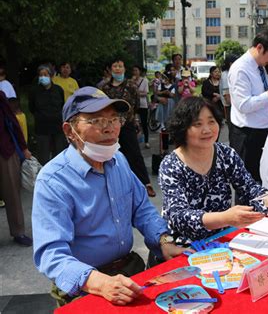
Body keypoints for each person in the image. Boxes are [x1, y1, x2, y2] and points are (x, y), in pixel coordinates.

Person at [32, 87, 191, 307]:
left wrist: (164, 240)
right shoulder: (53, 180)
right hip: (86, 286)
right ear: (70, 131)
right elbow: (51, 253)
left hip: (130, 271)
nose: (109, 128)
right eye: (96, 120)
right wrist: (100, 283)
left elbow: (142, 209)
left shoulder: (118, 160)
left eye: (114, 119)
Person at [158, 96, 268, 249]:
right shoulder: (171, 165)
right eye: (197, 124)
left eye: (211, 121)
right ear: (183, 128)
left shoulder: (226, 154)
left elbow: (249, 188)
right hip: (185, 245)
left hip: (223, 237)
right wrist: (225, 217)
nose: (207, 130)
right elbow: (178, 216)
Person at [228, 28, 268, 182]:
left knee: (263, 179)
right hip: (248, 134)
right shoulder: (240, 69)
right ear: (260, 47)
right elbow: (244, 105)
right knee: (247, 183)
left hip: (263, 130)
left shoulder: (259, 67)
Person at [102, 59, 156, 197]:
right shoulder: (105, 88)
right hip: (110, 126)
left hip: (127, 125)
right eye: (115, 66)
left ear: (124, 69)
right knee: (111, 154)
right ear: (110, 69)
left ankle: (145, 183)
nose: (118, 69)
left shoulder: (131, 85)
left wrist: (124, 120)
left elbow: (135, 104)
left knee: (134, 154)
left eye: (120, 66)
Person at [0, 91, 33, 246]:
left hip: (5, 152)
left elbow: (12, 122)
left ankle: (18, 231)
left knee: (12, 192)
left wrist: (23, 147)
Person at [28, 65, 67, 165]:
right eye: (41, 75)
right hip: (42, 128)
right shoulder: (34, 91)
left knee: (59, 154)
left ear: (51, 76)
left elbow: (62, 104)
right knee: (43, 156)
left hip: (57, 127)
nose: (43, 77)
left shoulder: (58, 90)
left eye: (45, 74)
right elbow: (31, 108)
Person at [131, 65, 150, 148]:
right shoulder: (130, 81)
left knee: (144, 123)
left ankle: (146, 141)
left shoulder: (145, 81)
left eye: (136, 70)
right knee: (133, 123)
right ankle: (135, 141)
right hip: (133, 105)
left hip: (143, 104)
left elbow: (146, 93)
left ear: (140, 71)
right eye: (133, 70)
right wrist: (133, 83)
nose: (135, 72)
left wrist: (137, 92)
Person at [219, 54, 238, 125]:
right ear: (231, 63)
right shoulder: (225, 75)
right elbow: (226, 94)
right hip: (230, 106)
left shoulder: (230, 73)